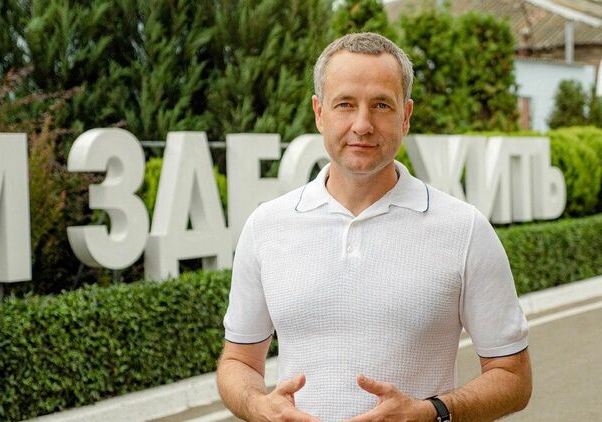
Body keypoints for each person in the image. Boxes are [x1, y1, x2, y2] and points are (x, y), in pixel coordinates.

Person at [217, 32, 531, 422]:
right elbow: (239, 361)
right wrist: (258, 406)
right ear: (319, 112)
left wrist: (431, 412)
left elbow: (513, 378)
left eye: (381, 105)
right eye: (345, 104)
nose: (362, 125)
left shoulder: (464, 229)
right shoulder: (267, 226)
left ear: (406, 116)